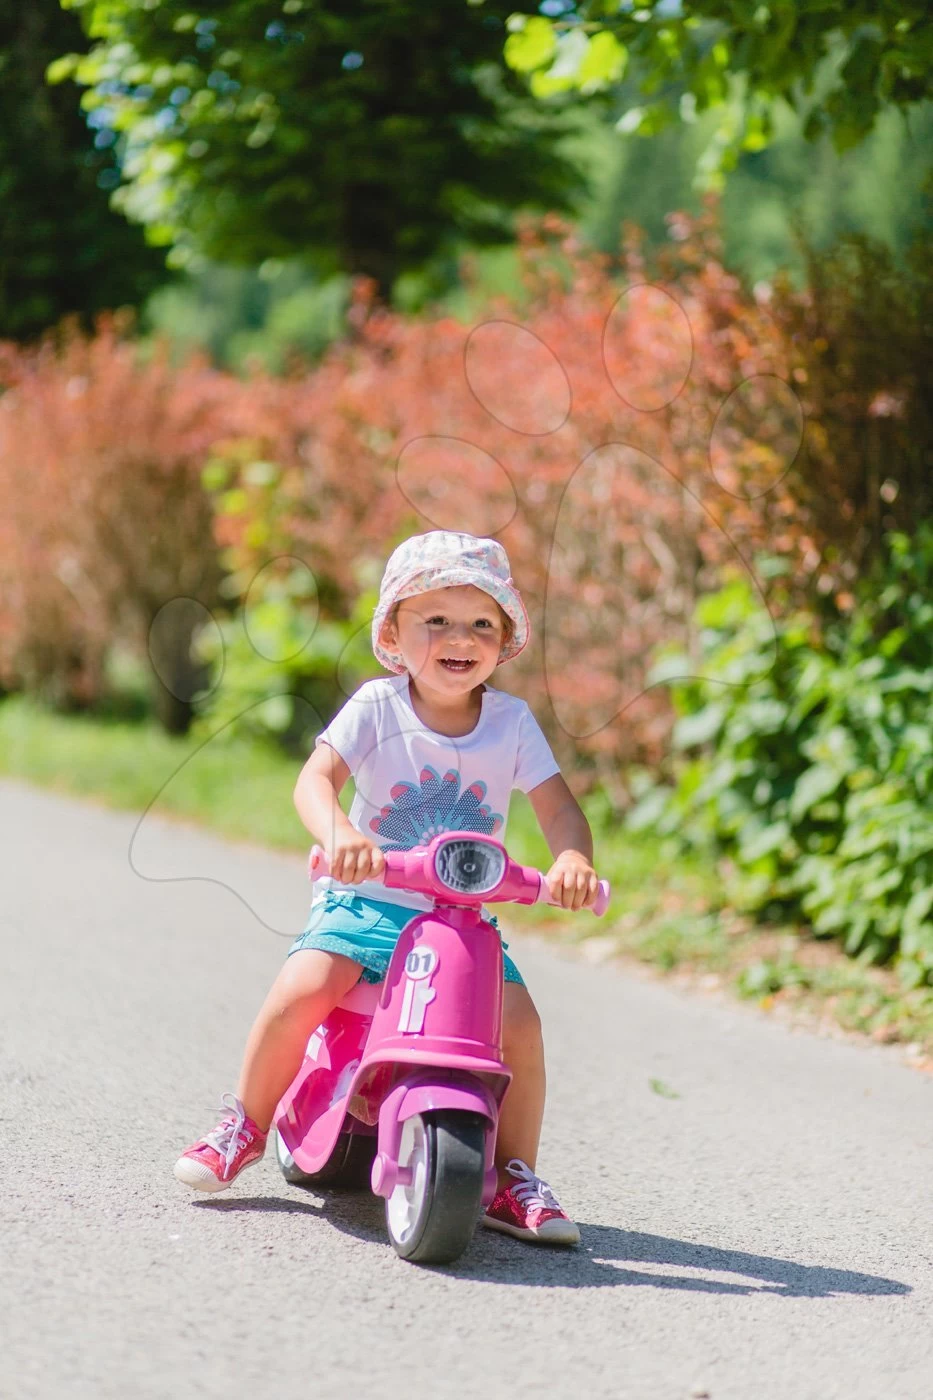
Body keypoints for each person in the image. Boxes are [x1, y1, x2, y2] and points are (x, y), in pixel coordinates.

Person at [175, 530, 600, 1245]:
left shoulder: (511, 723)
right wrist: (340, 834)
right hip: (368, 905)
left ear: (504, 640)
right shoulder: (378, 707)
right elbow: (315, 779)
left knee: (520, 1025)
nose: (458, 637)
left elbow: (558, 807)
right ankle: (245, 1122)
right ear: (394, 634)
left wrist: (571, 860)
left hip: (459, 917)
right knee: (307, 985)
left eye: (480, 623)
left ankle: (513, 1174)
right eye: (435, 619)